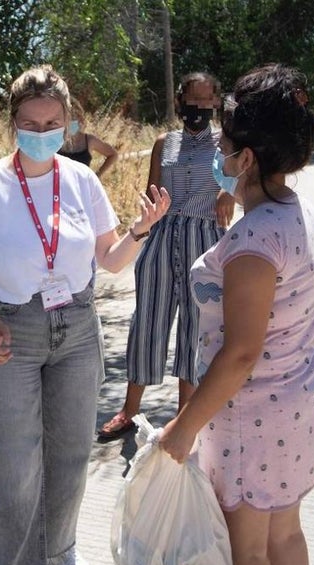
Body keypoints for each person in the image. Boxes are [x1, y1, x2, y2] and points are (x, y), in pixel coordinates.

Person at [0, 65, 170, 565]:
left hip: (76, 326)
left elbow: (110, 260)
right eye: (30, 124)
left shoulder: (80, 181)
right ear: (13, 123)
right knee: (10, 465)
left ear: (69, 123)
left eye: (52, 123)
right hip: (12, 329)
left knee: (72, 451)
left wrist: (141, 229)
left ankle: (58, 548)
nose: (41, 133)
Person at [155, 64, 314, 565]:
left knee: (248, 546)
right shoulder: (301, 215)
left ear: (247, 157)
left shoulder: (255, 241)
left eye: (226, 147)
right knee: (285, 533)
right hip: (300, 404)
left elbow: (239, 354)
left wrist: (183, 429)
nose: (219, 157)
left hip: (254, 418)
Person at [96, 71, 234, 442]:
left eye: (206, 100)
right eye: (192, 100)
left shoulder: (227, 142)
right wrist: (142, 229)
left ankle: (183, 416)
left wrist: (229, 191)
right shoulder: (164, 143)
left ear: (216, 103)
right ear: (179, 102)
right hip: (161, 236)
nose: (198, 107)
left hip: (204, 238)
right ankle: (129, 411)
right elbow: (151, 192)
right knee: (147, 320)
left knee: (195, 324)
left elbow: (245, 176)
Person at [57, 97, 118, 177]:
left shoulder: (89, 141)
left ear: (80, 119)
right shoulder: (55, 139)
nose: (67, 124)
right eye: (64, 120)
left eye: (72, 119)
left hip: (81, 185)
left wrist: (97, 176)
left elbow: (113, 154)